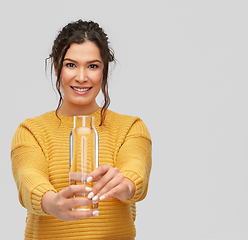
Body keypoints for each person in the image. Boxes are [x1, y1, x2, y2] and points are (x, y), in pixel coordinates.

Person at [11, 19, 152, 240]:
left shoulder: (130, 128)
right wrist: (52, 203)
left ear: (104, 70)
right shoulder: (31, 131)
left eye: (92, 66)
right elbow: (29, 178)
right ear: (57, 68)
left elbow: (136, 169)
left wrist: (124, 185)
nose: (82, 77)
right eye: (71, 65)